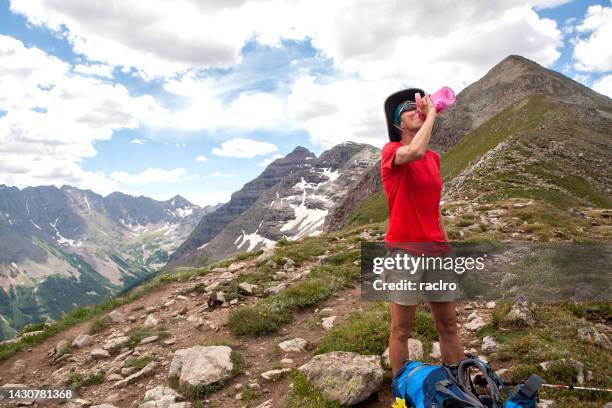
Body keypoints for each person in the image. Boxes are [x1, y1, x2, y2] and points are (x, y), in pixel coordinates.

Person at [381, 88, 464, 377]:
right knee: (402, 329)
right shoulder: (392, 152)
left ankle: (458, 385)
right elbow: (414, 151)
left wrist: (447, 245)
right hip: (405, 251)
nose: (415, 108)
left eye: (416, 104)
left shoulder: (434, 159)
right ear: (397, 124)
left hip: (437, 250)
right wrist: (431, 116)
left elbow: (434, 206)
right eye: (407, 107)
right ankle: (401, 393)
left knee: (449, 325)